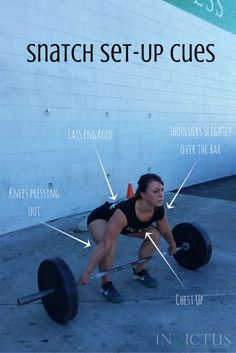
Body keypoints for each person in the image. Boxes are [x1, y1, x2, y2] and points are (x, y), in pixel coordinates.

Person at [79, 173, 177, 303]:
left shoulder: (158, 209)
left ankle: (139, 271)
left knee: (154, 234)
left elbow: (164, 230)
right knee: (109, 248)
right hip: (102, 218)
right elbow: (104, 244)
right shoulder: (124, 213)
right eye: (155, 191)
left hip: (127, 226)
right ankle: (106, 284)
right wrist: (88, 271)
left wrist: (173, 245)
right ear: (142, 194)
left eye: (162, 190)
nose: (161, 195)